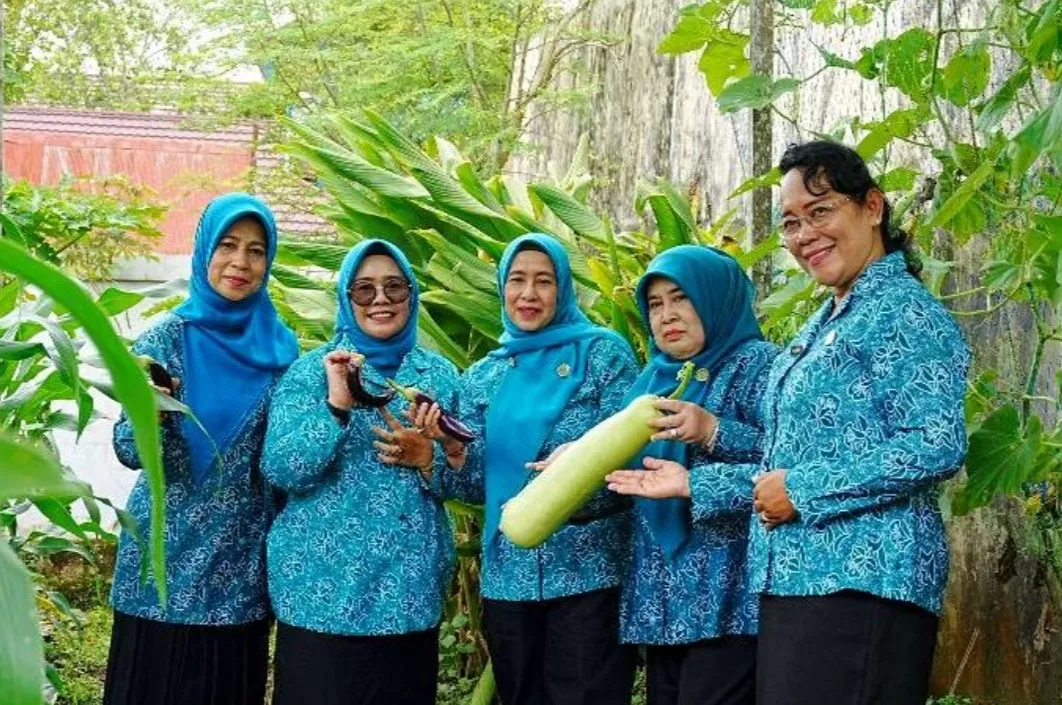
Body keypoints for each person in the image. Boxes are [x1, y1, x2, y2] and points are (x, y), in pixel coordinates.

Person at [608, 140, 971, 705]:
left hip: (863, 581)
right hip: (797, 582)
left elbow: (935, 444)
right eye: (791, 222)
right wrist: (694, 483)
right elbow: (781, 468)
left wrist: (801, 489)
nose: (805, 235)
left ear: (872, 207)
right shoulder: (825, 320)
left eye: (821, 211)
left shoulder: (902, 310)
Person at [414, 233, 639, 705]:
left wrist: (577, 463)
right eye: (517, 280)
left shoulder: (602, 355)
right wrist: (454, 451)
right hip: (508, 572)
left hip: (588, 569)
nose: (528, 294)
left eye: (543, 281)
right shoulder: (484, 375)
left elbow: (632, 456)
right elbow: (474, 483)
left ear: (563, 289)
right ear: (501, 288)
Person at [105, 193, 299, 705]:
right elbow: (128, 448)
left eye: (256, 251)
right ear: (204, 251)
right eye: (228, 246)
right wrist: (153, 416)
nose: (240, 262)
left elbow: (283, 462)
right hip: (162, 564)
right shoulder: (164, 339)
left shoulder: (284, 353)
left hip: (237, 573)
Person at [262, 239, 459, 705]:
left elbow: (471, 477)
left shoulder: (440, 376)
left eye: (394, 287)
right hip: (319, 595)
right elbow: (282, 469)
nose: (381, 300)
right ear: (346, 300)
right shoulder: (314, 372)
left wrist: (429, 457)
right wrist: (335, 407)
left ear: (411, 295)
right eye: (364, 290)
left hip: (406, 594)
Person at [620, 246, 777, 705]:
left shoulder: (760, 367)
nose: (667, 314)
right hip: (661, 599)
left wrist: (713, 432)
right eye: (655, 303)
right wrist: (573, 464)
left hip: (728, 598)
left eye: (681, 297)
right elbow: (627, 480)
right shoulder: (650, 383)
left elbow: (792, 464)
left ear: (713, 296)